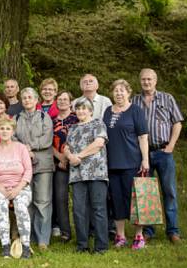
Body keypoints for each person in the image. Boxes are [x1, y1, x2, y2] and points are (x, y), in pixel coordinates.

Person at [133, 68, 184, 243]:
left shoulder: (167, 98)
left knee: (169, 191)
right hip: (143, 154)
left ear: (155, 81)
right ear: (140, 81)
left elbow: (177, 123)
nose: (146, 82)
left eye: (149, 79)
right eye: (143, 79)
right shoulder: (134, 101)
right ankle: (148, 230)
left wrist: (170, 146)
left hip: (163, 152)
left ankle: (173, 231)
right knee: (146, 192)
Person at [104, 79, 149, 250]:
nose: (119, 93)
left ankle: (139, 236)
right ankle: (120, 235)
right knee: (116, 200)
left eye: (122, 90)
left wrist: (145, 160)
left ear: (129, 92)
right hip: (112, 163)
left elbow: (143, 136)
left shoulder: (135, 111)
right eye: (116, 91)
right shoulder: (108, 111)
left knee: (136, 199)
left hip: (132, 162)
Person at [65, 97, 109, 254]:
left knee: (98, 209)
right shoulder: (73, 128)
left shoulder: (98, 123)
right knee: (78, 210)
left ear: (90, 110)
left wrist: (79, 156)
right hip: (77, 175)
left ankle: (101, 246)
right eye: (78, 108)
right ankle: (82, 245)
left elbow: (98, 144)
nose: (81, 111)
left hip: (96, 172)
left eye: (84, 108)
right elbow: (66, 147)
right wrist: (70, 156)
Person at [0, 115, 32, 258]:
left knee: (20, 205)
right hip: (0, 187)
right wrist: (1, 188)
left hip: (21, 187)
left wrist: (18, 189)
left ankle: (25, 245)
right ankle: (5, 245)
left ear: (13, 132)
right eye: (2, 129)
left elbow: (28, 171)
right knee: (1, 204)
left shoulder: (21, 148)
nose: (5, 131)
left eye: (8, 128)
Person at [16, 87, 54, 250]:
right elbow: (12, 136)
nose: (27, 100)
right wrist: (25, 151)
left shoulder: (45, 117)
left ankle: (42, 239)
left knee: (43, 201)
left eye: (30, 97)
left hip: (43, 163)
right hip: (23, 165)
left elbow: (47, 139)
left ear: (36, 99)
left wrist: (29, 147)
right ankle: (28, 237)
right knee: (27, 201)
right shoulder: (16, 118)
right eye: (24, 98)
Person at [52, 90, 78, 242]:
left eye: (65, 99)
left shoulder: (76, 118)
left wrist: (69, 157)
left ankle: (86, 229)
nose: (62, 101)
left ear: (70, 102)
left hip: (77, 162)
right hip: (59, 164)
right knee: (60, 198)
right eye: (59, 99)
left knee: (80, 199)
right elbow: (48, 143)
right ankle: (65, 232)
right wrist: (60, 157)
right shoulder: (52, 120)